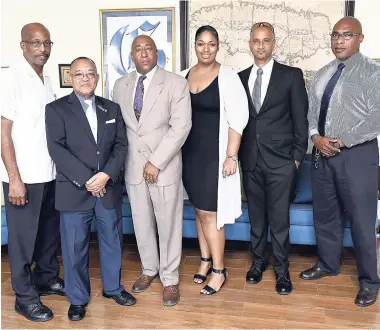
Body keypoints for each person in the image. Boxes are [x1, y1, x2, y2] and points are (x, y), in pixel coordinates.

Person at [300, 17, 380, 307]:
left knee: (362, 221)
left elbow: (379, 117)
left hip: (356, 155)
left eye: (347, 35)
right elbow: (311, 112)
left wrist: (342, 140)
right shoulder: (323, 73)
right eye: (335, 35)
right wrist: (315, 138)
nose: (339, 40)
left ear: (361, 38)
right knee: (325, 216)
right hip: (321, 154)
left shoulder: (377, 73)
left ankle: (369, 282)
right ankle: (328, 264)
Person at [45, 57, 135, 321]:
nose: (85, 78)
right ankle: (77, 298)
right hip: (74, 190)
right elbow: (56, 149)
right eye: (79, 74)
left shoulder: (112, 109)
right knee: (74, 247)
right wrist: (87, 179)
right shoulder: (56, 109)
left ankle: (112, 288)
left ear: (97, 77)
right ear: (70, 78)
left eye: (90, 73)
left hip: (107, 189)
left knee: (112, 242)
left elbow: (121, 145)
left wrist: (105, 175)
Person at [112, 35, 192, 306]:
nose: (144, 53)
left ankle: (169, 279)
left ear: (157, 53)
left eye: (149, 48)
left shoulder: (175, 83)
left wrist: (156, 162)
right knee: (141, 222)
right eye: (138, 49)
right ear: (131, 55)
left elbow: (181, 127)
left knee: (169, 224)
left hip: (164, 167)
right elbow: (120, 130)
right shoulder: (120, 85)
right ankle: (149, 269)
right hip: (133, 167)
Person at [0, 23, 65, 322]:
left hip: (49, 173)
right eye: (35, 43)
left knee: (49, 234)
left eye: (46, 43)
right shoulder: (10, 77)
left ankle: (46, 278)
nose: (43, 48)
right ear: (23, 45)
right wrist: (14, 178)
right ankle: (24, 298)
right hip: (23, 176)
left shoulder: (47, 79)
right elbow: (3, 130)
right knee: (24, 239)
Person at [238, 22, 309, 295]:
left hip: (282, 162)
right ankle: (258, 263)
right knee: (257, 219)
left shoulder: (290, 75)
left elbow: (299, 119)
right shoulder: (240, 77)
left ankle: (282, 271)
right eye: (256, 40)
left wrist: (296, 159)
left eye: (266, 40)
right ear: (249, 44)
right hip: (251, 160)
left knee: (279, 221)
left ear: (273, 43)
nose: (261, 45)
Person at [180, 25, 249, 295]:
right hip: (189, 154)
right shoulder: (183, 76)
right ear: (194, 46)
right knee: (199, 210)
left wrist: (231, 156)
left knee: (211, 212)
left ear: (218, 46)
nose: (205, 49)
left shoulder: (228, 76)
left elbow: (238, 119)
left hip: (216, 154)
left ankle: (219, 271)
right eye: (200, 43)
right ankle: (205, 260)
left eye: (211, 44)